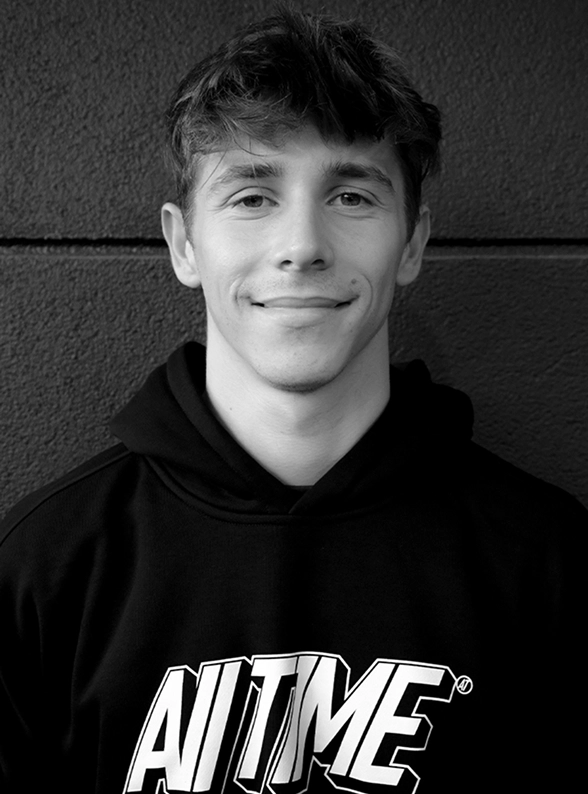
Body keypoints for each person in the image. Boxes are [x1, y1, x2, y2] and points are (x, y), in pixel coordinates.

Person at [0, 7, 584, 793]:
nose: (303, 246)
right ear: (183, 243)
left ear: (412, 242)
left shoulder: (546, 562)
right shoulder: (45, 566)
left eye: (352, 196)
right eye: (251, 197)